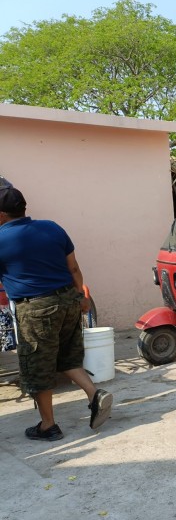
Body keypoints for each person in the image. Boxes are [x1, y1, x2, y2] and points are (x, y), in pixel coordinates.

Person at [0, 187, 113, 441]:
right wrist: (82, 298)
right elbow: (73, 267)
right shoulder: (52, 227)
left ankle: (48, 426)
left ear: (1, 215)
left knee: (37, 368)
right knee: (68, 358)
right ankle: (95, 394)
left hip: (37, 309)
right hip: (69, 301)